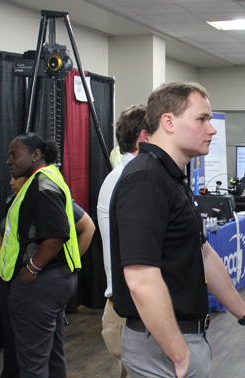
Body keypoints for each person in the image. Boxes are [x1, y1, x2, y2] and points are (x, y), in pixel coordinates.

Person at [111, 81, 245, 378]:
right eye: (201, 119)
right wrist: (179, 354)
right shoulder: (146, 180)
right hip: (162, 347)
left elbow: (204, 254)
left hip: (181, 341)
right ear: (168, 122)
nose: (212, 129)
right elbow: (141, 279)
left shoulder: (171, 178)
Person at [0, 133, 85, 378]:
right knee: (53, 355)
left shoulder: (41, 184)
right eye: (8, 155)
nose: (8, 161)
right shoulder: (49, 178)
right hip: (55, 281)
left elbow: (57, 234)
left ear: (36, 155)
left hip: (39, 284)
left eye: (15, 155)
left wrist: (33, 268)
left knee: (32, 363)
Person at [96, 103, 151, 378]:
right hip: (131, 306)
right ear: (144, 137)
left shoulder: (137, 175)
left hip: (134, 304)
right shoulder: (130, 180)